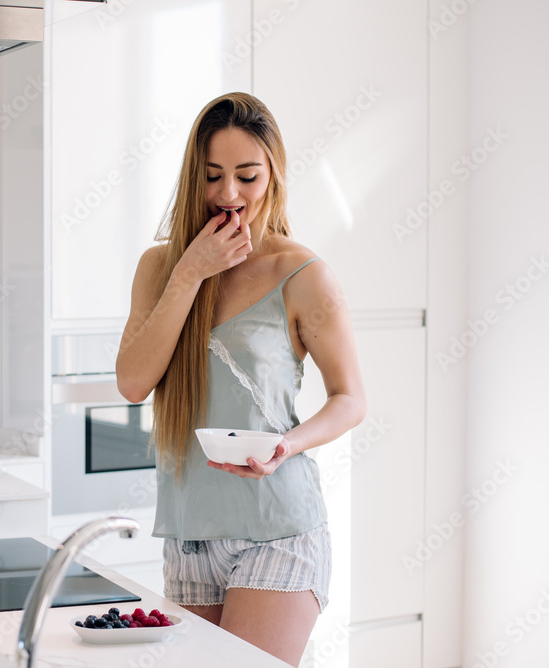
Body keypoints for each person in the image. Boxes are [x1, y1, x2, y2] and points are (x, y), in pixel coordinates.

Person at [115, 92, 367, 667]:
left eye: (247, 176)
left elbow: (350, 398)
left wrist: (289, 444)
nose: (229, 195)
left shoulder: (303, 274)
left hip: (278, 526)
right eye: (213, 176)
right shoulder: (160, 268)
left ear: (273, 176)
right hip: (188, 533)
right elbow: (133, 383)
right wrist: (189, 275)